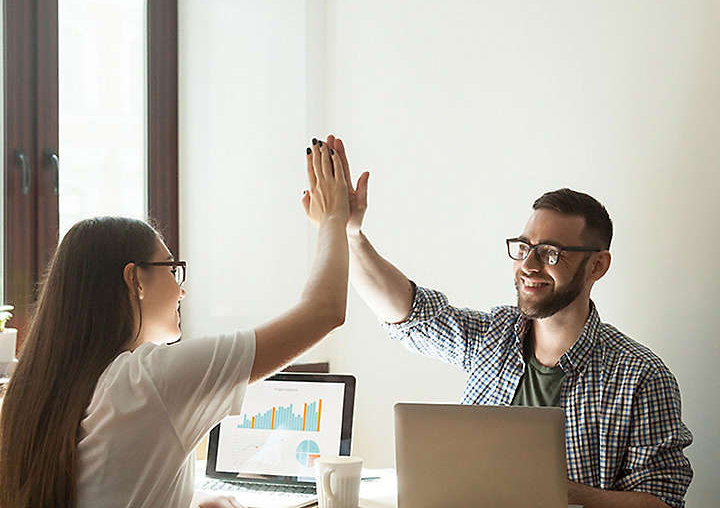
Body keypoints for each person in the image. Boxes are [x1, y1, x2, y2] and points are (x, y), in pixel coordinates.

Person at [324, 134, 693, 508]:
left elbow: (661, 501)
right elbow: (407, 314)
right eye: (524, 247)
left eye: (551, 253)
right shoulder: (491, 337)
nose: (529, 266)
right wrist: (351, 234)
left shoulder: (641, 376)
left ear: (597, 265)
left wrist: (551, 490)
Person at [0, 140, 348, 508]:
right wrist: (334, 218)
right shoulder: (146, 380)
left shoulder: (39, 392)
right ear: (135, 280)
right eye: (172, 269)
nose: (182, 289)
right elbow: (324, 311)